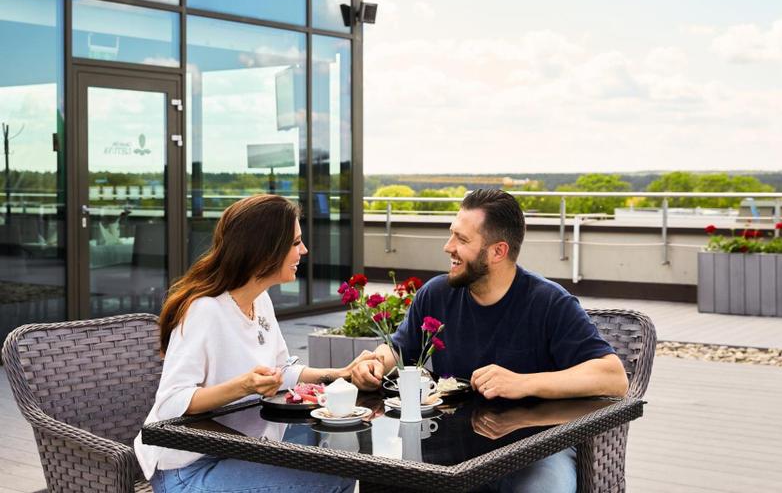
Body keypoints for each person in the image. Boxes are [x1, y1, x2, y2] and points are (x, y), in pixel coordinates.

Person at [350, 189, 629, 493]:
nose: (448, 247)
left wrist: (523, 383)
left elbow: (614, 377)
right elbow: (398, 348)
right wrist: (375, 363)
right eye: (451, 235)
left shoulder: (550, 303)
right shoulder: (436, 294)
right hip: (453, 442)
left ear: (498, 251)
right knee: (382, 478)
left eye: (462, 240)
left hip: (538, 448)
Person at [134, 194, 356, 493]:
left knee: (337, 454)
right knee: (332, 477)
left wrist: (341, 374)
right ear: (265, 252)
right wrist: (245, 386)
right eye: (295, 243)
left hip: (242, 449)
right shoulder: (205, 310)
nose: (304, 250)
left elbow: (280, 370)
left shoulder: (259, 300)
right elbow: (171, 404)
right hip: (188, 469)